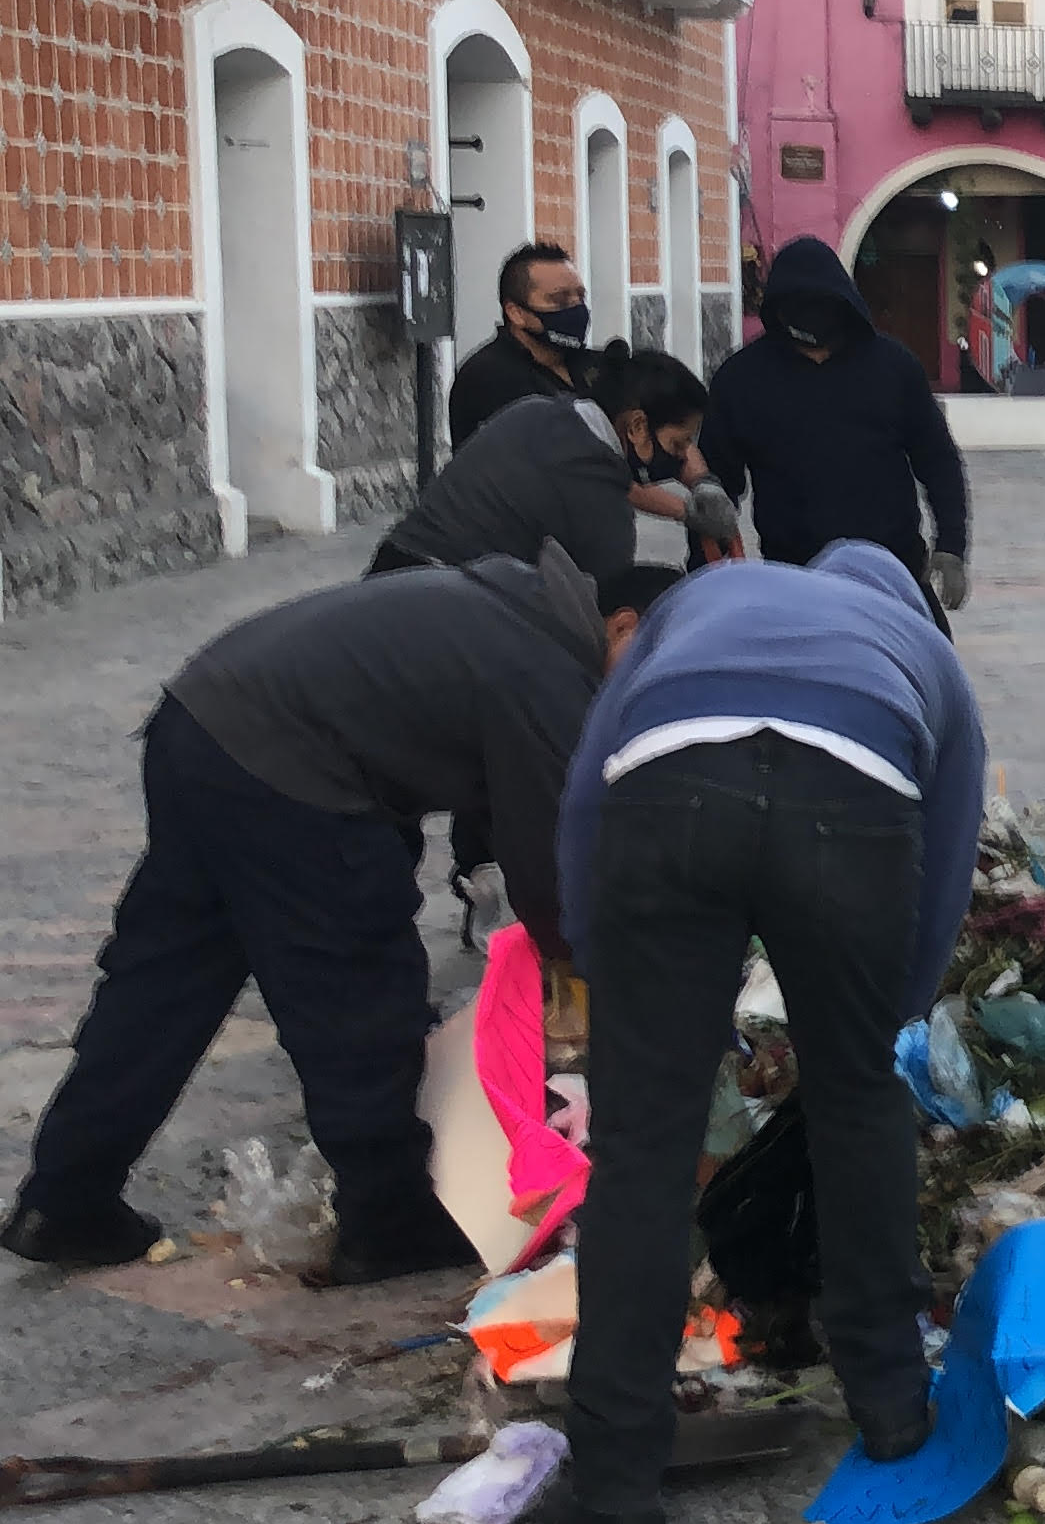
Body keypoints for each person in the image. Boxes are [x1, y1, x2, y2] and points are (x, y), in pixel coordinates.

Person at [0, 548, 666, 1281]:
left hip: (201, 721)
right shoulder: (547, 672)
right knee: (358, 988)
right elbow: (549, 877)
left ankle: (65, 1195)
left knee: (162, 983)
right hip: (288, 769)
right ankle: (387, 1220)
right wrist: (604, 976)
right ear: (621, 625)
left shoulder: (511, 605)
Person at [538, 544, 985, 1524]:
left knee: (645, 1145)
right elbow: (947, 868)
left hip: (668, 776)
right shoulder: (923, 651)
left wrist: (617, 983)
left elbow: (586, 788)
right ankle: (890, 1413)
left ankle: (612, 1491)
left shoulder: (704, 597)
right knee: (855, 1105)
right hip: (855, 795)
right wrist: (878, 1026)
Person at [704, 237, 973, 627]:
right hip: (794, 586)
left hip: (894, 579)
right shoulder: (741, 380)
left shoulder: (894, 368)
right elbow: (716, 491)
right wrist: (704, 579)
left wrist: (951, 546)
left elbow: (938, 460)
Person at [373, 348, 730, 581]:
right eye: (678, 443)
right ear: (637, 426)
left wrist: (701, 486)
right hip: (438, 599)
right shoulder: (598, 500)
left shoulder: (541, 411)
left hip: (393, 568)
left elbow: (615, 481)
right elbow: (606, 609)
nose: (682, 455)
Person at [449, 242, 603, 450]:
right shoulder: (488, 376)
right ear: (516, 313)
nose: (576, 308)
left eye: (580, 297)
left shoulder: (593, 365)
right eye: (559, 300)